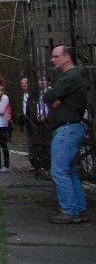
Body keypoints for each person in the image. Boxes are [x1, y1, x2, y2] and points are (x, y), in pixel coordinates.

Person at [45, 45, 89, 224]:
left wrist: (54, 97)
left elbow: (49, 96)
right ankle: (79, 208)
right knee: (69, 172)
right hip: (70, 129)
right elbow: (52, 97)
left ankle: (70, 211)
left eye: (56, 56)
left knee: (59, 172)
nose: (52, 60)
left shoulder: (69, 77)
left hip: (66, 130)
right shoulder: (72, 78)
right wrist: (55, 97)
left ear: (67, 57)